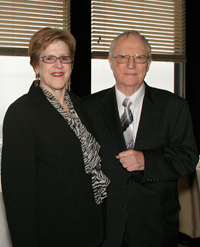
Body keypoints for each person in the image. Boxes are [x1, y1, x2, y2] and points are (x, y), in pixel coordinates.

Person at [82, 30, 199, 247]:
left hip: (156, 226)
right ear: (110, 61)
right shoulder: (87, 108)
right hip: (103, 225)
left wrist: (147, 161)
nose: (131, 64)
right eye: (123, 57)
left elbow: (188, 156)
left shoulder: (174, 106)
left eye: (139, 57)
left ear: (149, 63)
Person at [1, 27, 110, 247]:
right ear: (35, 65)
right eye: (49, 58)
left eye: (64, 58)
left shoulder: (81, 106)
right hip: (52, 235)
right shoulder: (21, 113)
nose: (58, 65)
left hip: (91, 229)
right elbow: (18, 197)